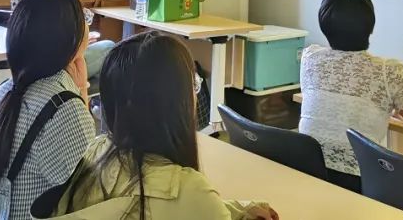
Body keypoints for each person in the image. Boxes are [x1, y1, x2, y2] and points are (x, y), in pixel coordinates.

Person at [55, 32, 278, 220]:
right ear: (177, 102)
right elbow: (186, 205)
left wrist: (239, 210)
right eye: (193, 84)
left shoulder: (95, 151)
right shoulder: (189, 191)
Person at [0, 0, 96, 220]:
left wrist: (79, 86)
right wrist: (81, 90)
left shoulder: (5, 90)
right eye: (83, 18)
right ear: (69, 38)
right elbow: (88, 192)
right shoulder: (64, 109)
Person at [298, 0, 403, 192]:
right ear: (370, 27)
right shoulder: (387, 72)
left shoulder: (310, 58)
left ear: (324, 26)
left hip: (308, 175)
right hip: (360, 183)